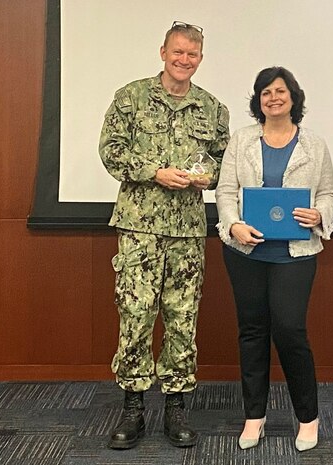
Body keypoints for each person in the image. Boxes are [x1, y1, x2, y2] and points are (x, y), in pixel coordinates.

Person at [99, 21, 229, 450]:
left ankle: (176, 406)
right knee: (135, 316)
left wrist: (204, 177)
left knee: (181, 318)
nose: (184, 60)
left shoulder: (212, 109)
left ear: (200, 58)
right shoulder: (131, 97)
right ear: (163, 52)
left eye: (192, 55)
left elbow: (223, 165)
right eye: (177, 52)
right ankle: (133, 407)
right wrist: (154, 172)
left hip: (187, 232)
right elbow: (111, 151)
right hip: (139, 228)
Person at [215, 67, 333, 452]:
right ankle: (255, 417)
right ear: (258, 100)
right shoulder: (242, 140)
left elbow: (329, 194)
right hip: (246, 253)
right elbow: (225, 191)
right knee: (252, 332)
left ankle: (307, 418)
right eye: (265, 92)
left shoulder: (314, 145)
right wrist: (233, 225)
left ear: (293, 97)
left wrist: (319, 215)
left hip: (295, 256)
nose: (273, 98)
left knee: (289, 332)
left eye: (280, 91)